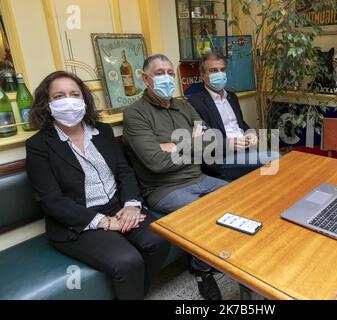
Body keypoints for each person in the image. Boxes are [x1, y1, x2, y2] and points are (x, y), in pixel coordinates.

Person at [26, 71, 170, 300]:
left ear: (84, 99)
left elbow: (124, 172)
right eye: (59, 96)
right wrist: (103, 222)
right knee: (127, 261)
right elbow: (51, 200)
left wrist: (132, 205)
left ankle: (135, 294)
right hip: (76, 221)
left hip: (117, 206)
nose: (69, 101)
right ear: (47, 104)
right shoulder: (38, 145)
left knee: (159, 239)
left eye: (74, 94)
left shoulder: (102, 131)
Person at [123, 54, 228, 300]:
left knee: (238, 195)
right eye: (160, 73)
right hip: (163, 189)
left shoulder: (184, 105)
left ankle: (231, 255)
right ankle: (203, 271)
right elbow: (156, 163)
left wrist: (172, 145)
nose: (167, 78)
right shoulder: (135, 114)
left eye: (170, 73)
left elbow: (212, 143)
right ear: (144, 78)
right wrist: (192, 141)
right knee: (204, 212)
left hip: (198, 177)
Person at [187, 53, 280, 181]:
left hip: (245, 149)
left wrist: (251, 133)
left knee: (277, 166)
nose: (219, 74)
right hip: (221, 158)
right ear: (203, 75)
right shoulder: (194, 102)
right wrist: (229, 144)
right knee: (275, 157)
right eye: (213, 70)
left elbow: (240, 123)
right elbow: (202, 139)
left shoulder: (232, 96)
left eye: (222, 70)